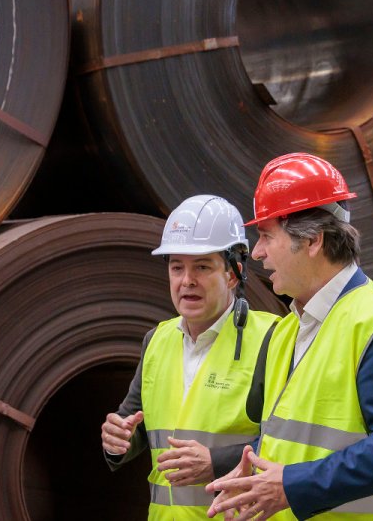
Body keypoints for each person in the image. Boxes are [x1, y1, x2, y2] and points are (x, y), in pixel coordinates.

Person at [206, 153, 373, 520]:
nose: (256, 253)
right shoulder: (288, 330)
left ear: (313, 242)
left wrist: (293, 486)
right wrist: (255, 474)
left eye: (266, 236)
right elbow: (299, 439)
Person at [101, 195, 279, 519]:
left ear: (233, 273)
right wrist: (117, 440)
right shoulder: (156, 341)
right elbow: (135, 427)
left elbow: (294, 447)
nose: (187, 281)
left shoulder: (272, 340)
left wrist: (217, 462)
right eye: (177, 267)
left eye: (202, 266)